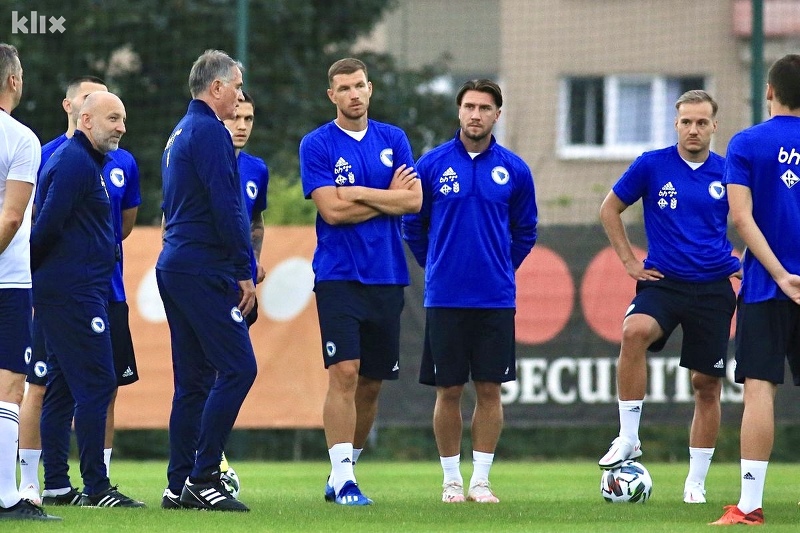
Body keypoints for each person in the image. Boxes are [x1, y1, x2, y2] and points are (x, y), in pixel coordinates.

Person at [597, 90, 741, 504]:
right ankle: (629, 438)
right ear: (675, 125)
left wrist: (743, 262)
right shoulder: (651, 164)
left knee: (706, 385)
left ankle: (695, 483)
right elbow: (609, 209)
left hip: (714, 288)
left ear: (714, 126)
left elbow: (753, 219)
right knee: (633, 331)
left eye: (701, 122)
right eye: (685, 122)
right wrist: (628, 261)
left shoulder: (729, 172)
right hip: (664, 282)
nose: (693, 129)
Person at [402, 79, 538, 504]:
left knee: (490, 390)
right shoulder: (432, 164)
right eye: (469, 107)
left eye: (484, 108)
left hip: (495, 298)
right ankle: (451, 481)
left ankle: (480, 480)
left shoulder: (515, 169)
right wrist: (438, 264)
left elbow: (526, 230)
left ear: (498, 114)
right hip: (445, 297)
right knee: (448, 390)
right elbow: (412, 225)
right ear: (458, 112)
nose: (475, 114)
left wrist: (500, 266)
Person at [299, 57, 421, 506]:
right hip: (338, 275)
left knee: (371, 382)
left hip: (387, 275)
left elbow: (414, 201)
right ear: (332, 95)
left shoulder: (394, 138)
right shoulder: (316, 144)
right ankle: (344, 477)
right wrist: (388, 196)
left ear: (370, 89)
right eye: (344, 88)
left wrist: (361, 193)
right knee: (345, 373)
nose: (353, 94)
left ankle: (343, 471)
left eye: (359, 86)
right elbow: (331, 211)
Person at [17, 75, 141, 506]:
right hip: (72, 293)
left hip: (70, 291)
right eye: (112, 118)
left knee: (65, 387)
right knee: (98, 383)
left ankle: (56, 485)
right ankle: (97, 487)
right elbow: (45, 227)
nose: (121, 126)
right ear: (84, 119)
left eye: (123, 118)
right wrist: (38, 277)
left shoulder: (85, 162)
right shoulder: (73, 162)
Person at [157, 49, 255, 513]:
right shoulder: (211, 132)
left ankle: (178, 486)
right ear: (216, 88)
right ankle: (204, 476)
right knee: (238, 368)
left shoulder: (179, 132)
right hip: (201, 267)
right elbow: (227, 207)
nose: (240, 94)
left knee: (193, 381)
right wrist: (244, 268)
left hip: (175, 263)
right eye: (236, 85)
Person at [710, 54, 800, 526]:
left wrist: (783, 274)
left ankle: (749, 505)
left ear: (770, 91)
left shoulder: (747, 143)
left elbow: (740, 217)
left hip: (767, 288)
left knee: (760, 389)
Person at [0, 43, 59, 522]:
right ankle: (6, 496)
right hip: (8, 282)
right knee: (9, 384)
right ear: (14, 81)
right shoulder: (21, 138)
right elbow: (14, 216)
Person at [223, 90, 269, 324]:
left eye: (248, 119)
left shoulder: (257, 169)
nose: (242, 126)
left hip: (242, 283)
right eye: (235, 117)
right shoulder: (198, 162)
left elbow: (256, 218)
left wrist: (255, 259)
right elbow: (169, 218)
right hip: (207, 278)